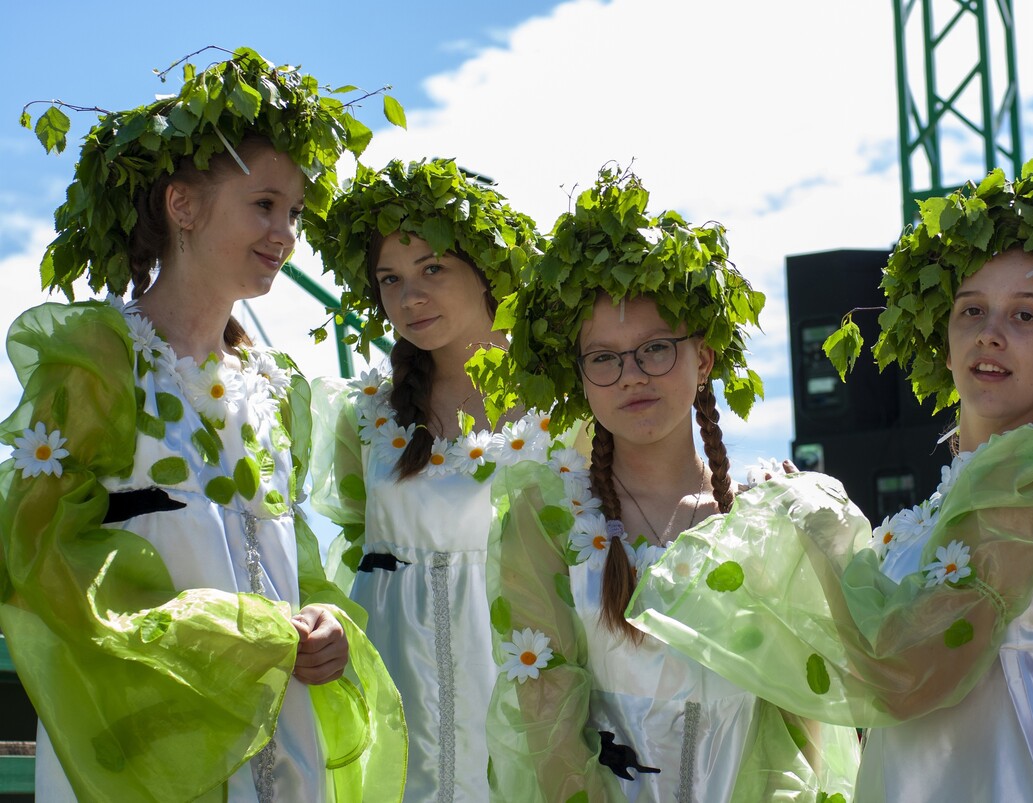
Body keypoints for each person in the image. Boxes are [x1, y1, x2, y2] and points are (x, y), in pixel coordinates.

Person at [628, 156, 1033, 801]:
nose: (991, 334)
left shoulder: (1028, 478)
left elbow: (906, 667)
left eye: (1025, 316)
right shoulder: (970, 486)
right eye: (971, 311)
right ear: (942, 339)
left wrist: (812, 514)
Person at [0, 48, 406, 802]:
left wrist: (323, 618)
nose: (285, 232)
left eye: (293, 211)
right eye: (263, 204)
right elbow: (39, 556)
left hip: (285, 748)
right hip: (148, 748)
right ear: (181, 205)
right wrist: (225, 635)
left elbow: (298, 559)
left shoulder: (273, 387)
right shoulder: (98, 360)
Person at [474, 166, 860, 802]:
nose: (631, 375)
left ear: (701, 359)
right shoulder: (546, 515)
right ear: (580, 376)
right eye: (604, 357)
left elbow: (802, 719)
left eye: (655, 348)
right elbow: (545, 709)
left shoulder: (765, 516)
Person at [304, 158, 561, 801]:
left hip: (520, 687)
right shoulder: (364, 414)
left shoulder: (565, 404)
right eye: (390, 279)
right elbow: (355, 548)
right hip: (397, 687)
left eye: (432, 269)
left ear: (488, 272)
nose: (409, 297)